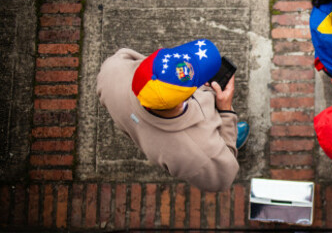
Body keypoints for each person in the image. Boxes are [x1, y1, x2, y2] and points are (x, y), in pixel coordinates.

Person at [96, 39, 250, 192]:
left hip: (137, 127)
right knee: (226, 150)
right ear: (181, 101)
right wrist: (226, 111)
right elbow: (222, 178)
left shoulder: (112, 70)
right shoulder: (198, 154)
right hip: (198, 149)